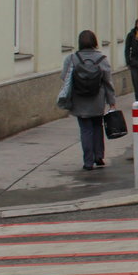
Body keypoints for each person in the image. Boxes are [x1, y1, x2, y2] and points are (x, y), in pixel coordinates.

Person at [58, 30, 116, 171]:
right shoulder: (102, 59)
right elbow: (108, 81)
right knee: (98, 126)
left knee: (85, 130)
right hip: (97, 99)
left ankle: (88, 161)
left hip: (79, 99)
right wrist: (111, 100)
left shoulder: (72, 58)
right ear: (95, 41)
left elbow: (64, 77)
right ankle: (99, 156)